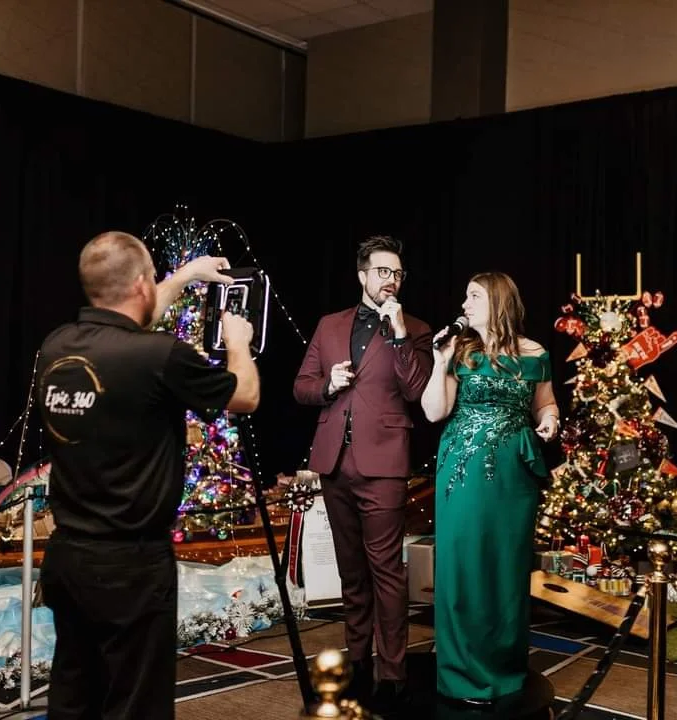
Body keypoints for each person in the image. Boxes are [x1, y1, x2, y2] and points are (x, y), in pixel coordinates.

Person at [37, 231, 260, 720]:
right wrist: (238, 343)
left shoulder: (56, 346)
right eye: (153, 280)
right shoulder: (160, 355)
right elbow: (244, 396)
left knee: (74, 697)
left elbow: (131, 318)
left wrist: (186, 274)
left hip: (69, 558)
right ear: (141, 284)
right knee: (136, 704)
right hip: (132, 566)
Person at [293, 235, 433, 710]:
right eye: (382, 271)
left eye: (397, 273)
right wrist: (327, 385)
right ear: (362, 275)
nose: (391, 280)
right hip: (334, 462)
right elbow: (301, 386)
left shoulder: (416, 329)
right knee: (351, 573)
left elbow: (416, 390)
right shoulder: (329, 324)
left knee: (387, 572)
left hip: (384, 464)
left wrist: (399, 334)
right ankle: (356, 663)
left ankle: (392, 672)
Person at [420, 271, 559, 707]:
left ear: (498, 302)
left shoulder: (535, 353)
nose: (464, 304)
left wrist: (550, 420)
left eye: (474, 296)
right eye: (465, 296)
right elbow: (433, 412)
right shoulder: (460, 351)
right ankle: (461, 671)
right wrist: (439, 360)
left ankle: (503, 667)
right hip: (462, 472)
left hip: (513, 475)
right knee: (464, 563)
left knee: (505, 566)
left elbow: (545, 402)